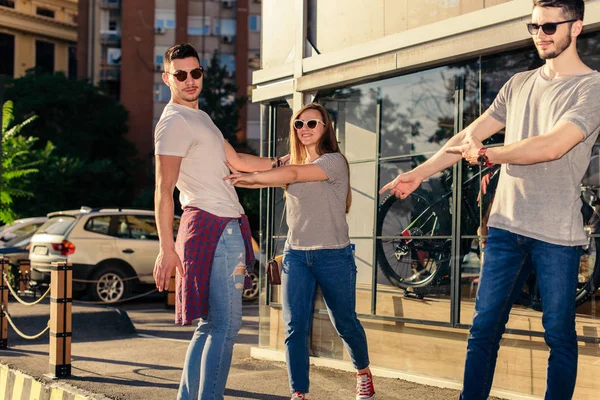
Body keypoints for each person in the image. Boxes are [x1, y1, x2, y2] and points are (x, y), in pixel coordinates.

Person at [380, 1, 600, 398]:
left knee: (559, 337)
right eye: (533, 26)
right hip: (505, 228)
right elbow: (467, 135)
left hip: (557, 234)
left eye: (550, 26)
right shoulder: (518, 83)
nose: (540, 35)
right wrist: (418, 174)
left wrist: (489, 153)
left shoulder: (591, 87)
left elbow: (552, 146)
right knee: (483, 330)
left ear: (576, 27)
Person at [152, 42, 284, 400]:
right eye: (181, 74)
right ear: (167, 78)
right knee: (225, 325)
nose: (190, 80)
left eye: (196, 72)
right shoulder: (174, 123)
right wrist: (166, 248)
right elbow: (163, 190)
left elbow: (238, 161)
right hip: (214, 225)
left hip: (220, 225)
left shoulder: (200, 118)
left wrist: (284, 164)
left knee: (211, 325)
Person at [225, 103, 376, 400]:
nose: (305, 129)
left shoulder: (334, 162)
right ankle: (299, 392)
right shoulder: (288, 161)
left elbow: (290, 173)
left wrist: (247, 180)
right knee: (294, 327)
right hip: (296, 256)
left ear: (325, 128)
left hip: (333, 255)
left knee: (344, 321)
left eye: (312, 123)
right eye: (299, 124)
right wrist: (221, 148)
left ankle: (363, 373)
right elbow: (251, 162)